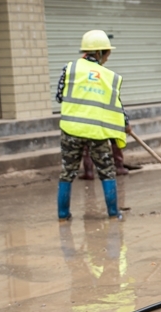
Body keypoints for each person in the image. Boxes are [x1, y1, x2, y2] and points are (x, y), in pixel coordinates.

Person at [55, 29, 131, 221]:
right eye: (107, 53)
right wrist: (126, 124)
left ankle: (63, 215)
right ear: (98, 52)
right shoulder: (109, 77)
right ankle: (113, 213)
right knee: (107, 171)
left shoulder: (69, 69)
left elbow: (59, 97)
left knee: (67, 172)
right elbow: (117, 106)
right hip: (97, 132)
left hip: (71, 130)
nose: (108, 57)